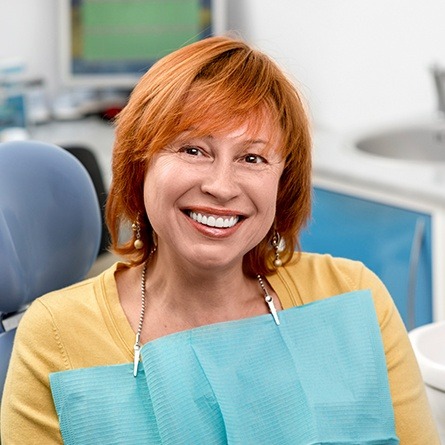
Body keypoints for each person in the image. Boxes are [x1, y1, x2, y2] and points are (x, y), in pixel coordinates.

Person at [0, 36, 439, 444]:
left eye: (252, 157)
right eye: (193, 149)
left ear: (282, 183)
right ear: (140, 165)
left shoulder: (355, 298)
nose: (223, 186)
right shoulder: (55, 337)